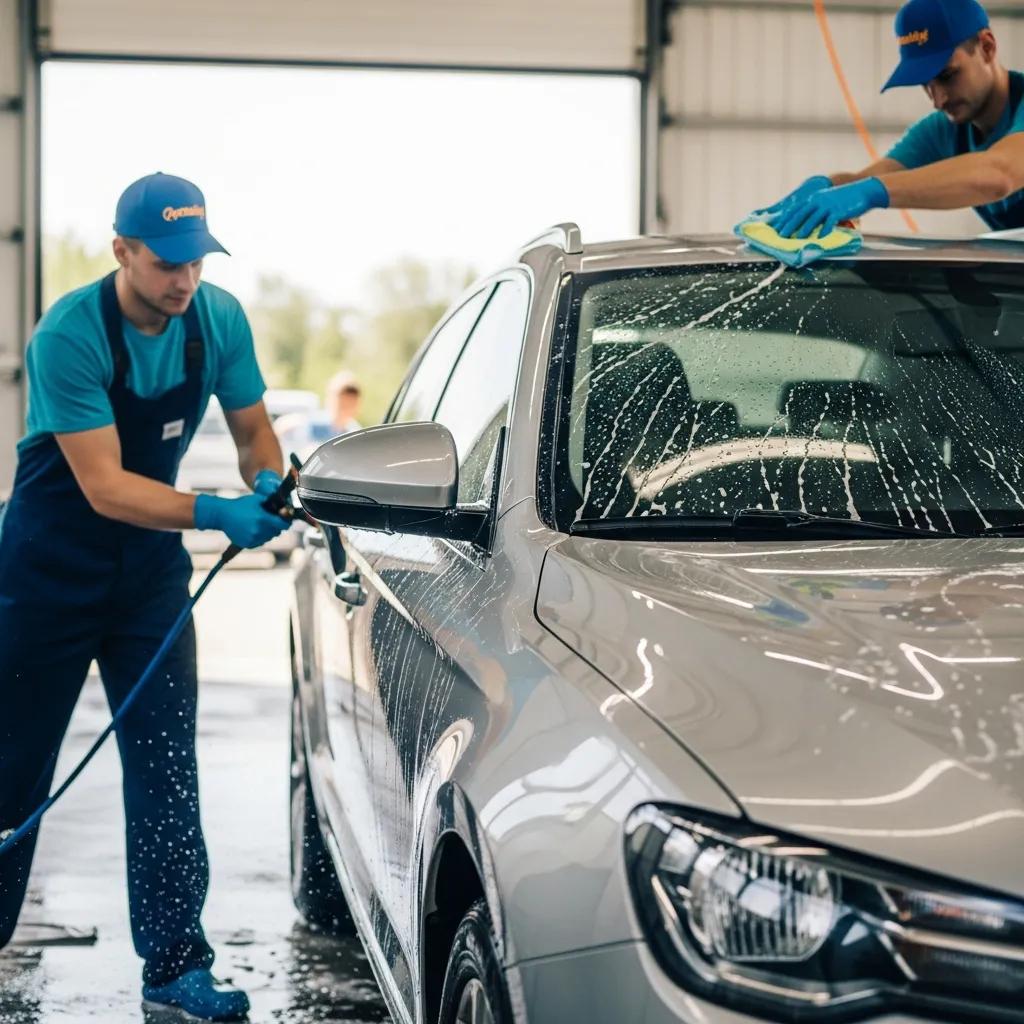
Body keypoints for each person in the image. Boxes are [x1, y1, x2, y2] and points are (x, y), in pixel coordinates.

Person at [0, 172, 289, 1021]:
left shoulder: (218, 320)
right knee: (12, 769)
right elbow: (102, 487)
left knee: (165, 769)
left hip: (148, 579)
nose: (183, 279)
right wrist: (213, 513)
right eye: (166, 262)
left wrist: (265, 479)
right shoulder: (69, 335)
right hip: (47, 568)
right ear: (122, 251)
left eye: (196, 260)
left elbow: (251, 428)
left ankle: (174, 967)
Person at [765, 0, 1024, 238]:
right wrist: (825, 187)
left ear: (987, 47)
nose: (938, 100)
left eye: (947, 76)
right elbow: (867, 180)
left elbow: (997, 175)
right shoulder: (942, 131)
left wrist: (871, 193)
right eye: (926, 85)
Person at [325, 370, 362, 435]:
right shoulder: (309, 426)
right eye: (342, 405)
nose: (346, 410)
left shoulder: (356, 433)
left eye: (351, 405)